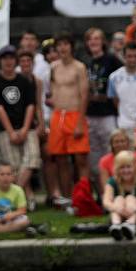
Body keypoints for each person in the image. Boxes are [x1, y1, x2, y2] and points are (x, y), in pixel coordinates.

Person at [0, 44, 40, 209]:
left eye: (11, 58)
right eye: (5, 58)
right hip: (4, 130)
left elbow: (31, 105)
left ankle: (15, 197)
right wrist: (11, 131)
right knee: (14, 166)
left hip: (27, 127)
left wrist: (24, 129)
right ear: (0, 61)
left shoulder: (24, 81)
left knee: (32, 159)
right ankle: (25, 198)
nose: (8, 62)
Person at [48, 31, 89, 200]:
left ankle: (84, 196)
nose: (62, 48)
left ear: (71, 47)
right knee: (60, 159)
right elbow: (52, 90)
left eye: (66, 44)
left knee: (80, 159)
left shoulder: (79, 67)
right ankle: (67, 197)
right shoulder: (54, 67)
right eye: (59, 45)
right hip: (58, 115)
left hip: (74, 114)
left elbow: (84, 95)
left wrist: (80, 122)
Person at [84, 28, 122, 177]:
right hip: (91, 113)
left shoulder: (112, 60)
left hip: (108, 113)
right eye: (90, 39)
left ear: (103, 42)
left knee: (111, 149)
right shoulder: (86, 63)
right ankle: (101, 191)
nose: (93, 42)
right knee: (94, 155)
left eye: (97, 38)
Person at [102, 150, 136, 241]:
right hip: (118, 214)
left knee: (130, 198)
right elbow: (106, 201)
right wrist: (117, 208)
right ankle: (116, 227)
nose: (126, 170)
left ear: (135, 167)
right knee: (119, 198)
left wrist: (133, 209)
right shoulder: (112, 181)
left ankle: (130, 226)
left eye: (128, 167)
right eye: (122, 168)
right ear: (117, 169)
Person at [98, 129, 132, 195]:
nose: (120, 144)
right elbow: (105, 186)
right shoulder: (104, 161)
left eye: (122, 141)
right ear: (112, 144)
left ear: (128, 142)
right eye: (116, 142)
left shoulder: (135, 157)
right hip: (113, 194)